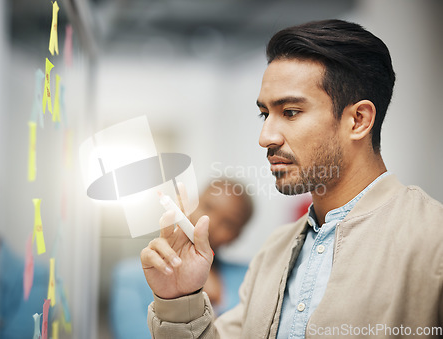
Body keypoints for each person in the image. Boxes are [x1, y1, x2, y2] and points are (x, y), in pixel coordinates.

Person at [140, 19, 443, 338]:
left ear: (357, 120)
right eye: (264, 114)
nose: (265, 136)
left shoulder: (432, 243)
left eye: (291, 112)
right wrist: (179, 299)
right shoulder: (276, 251)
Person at [109, 179, 253, 339]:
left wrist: (213, 299)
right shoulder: (130, 275)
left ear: (236, 236)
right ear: (193, 203)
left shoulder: (250, 276)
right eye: (208, 207)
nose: (211, 222)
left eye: (228, 223)